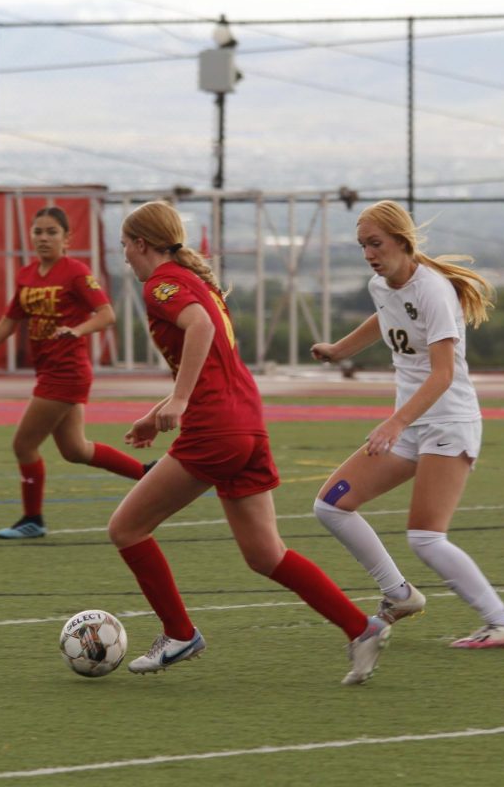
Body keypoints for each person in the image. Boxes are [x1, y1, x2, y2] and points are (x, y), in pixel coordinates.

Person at [110, 200, 391, 685]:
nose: (126, 259)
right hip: (247, 424)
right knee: (266, 554)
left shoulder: (162, 285)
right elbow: (211, 358)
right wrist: (158, 414)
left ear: (141, 244)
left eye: (125, 248)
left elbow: (197, 330)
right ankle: (360, 627)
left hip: (215, 429)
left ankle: (179, 633)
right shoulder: (197, 282)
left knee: (126, 529)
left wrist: (177, 401)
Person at [309, 199, 504, 649]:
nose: (369, 253)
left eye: (376, 243)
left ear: (402, 241)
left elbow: (443, 375)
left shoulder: (433, 289)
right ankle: (399, 594)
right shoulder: (382, 284)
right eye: (362, 245)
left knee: (426, 537)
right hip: (411, 425)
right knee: (330, 506)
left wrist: (394, 423)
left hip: (447, 423)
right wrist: (340, 350)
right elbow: (385, 317)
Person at [0, 206, 149, 539]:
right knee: (75, 451)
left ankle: (33, 519)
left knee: (23, 445)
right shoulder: (27, 275)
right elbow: (8, 323)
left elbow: (106, 315)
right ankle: (148, 473)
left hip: (66, 372)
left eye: (51, 232)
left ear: (67, 239)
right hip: (48, 372)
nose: (43, 238)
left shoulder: (75, 272)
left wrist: (77, 330)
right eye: (38, 232)